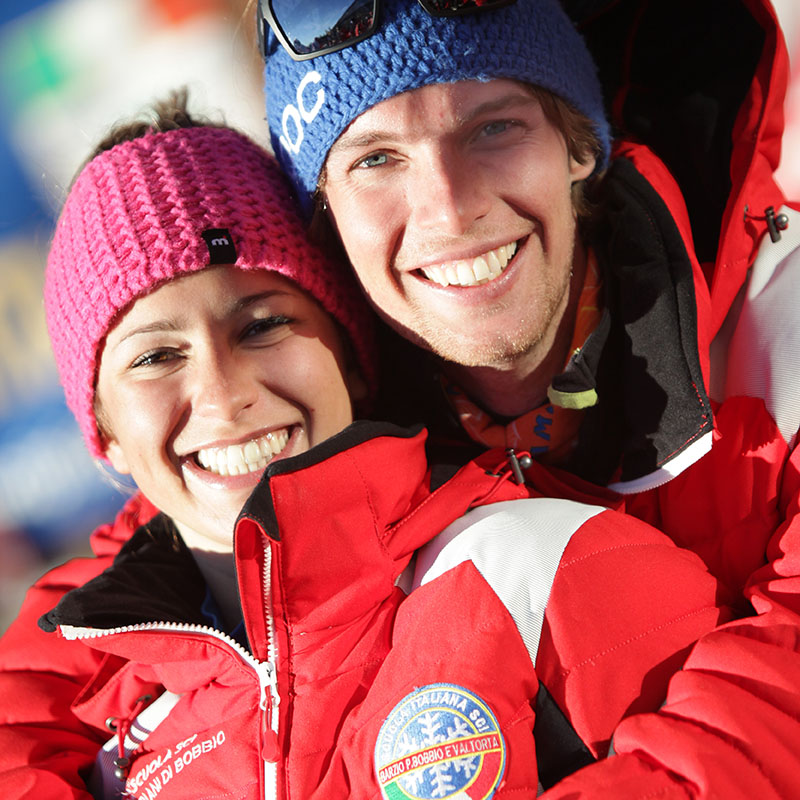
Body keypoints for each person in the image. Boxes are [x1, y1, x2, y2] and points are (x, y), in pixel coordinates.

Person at [0, 97, 732, 799]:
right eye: (154, 358)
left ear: (349, 356)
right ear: (105, 432)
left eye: (262, 326)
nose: (225, 395)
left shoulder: (543, 570)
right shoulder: (106, 723)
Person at [260, 0, 800, 796]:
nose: (449, 206)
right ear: (328, 216)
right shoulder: (326, 424)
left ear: (580, 148)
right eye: (375, 159)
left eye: (492, 128)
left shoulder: (779, 319)